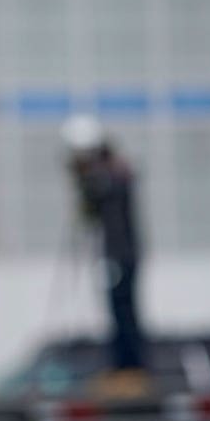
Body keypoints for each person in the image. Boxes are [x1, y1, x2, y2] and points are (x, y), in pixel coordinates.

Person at [60, 114, 147, 396]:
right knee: (116, 310)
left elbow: (95, 199)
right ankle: (123, 367)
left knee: (123, 311)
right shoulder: (112, 172)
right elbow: (91, 214)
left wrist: (83, 179)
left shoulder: (111, 175)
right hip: (116, 253)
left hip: (120, 253)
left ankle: (130, 370)